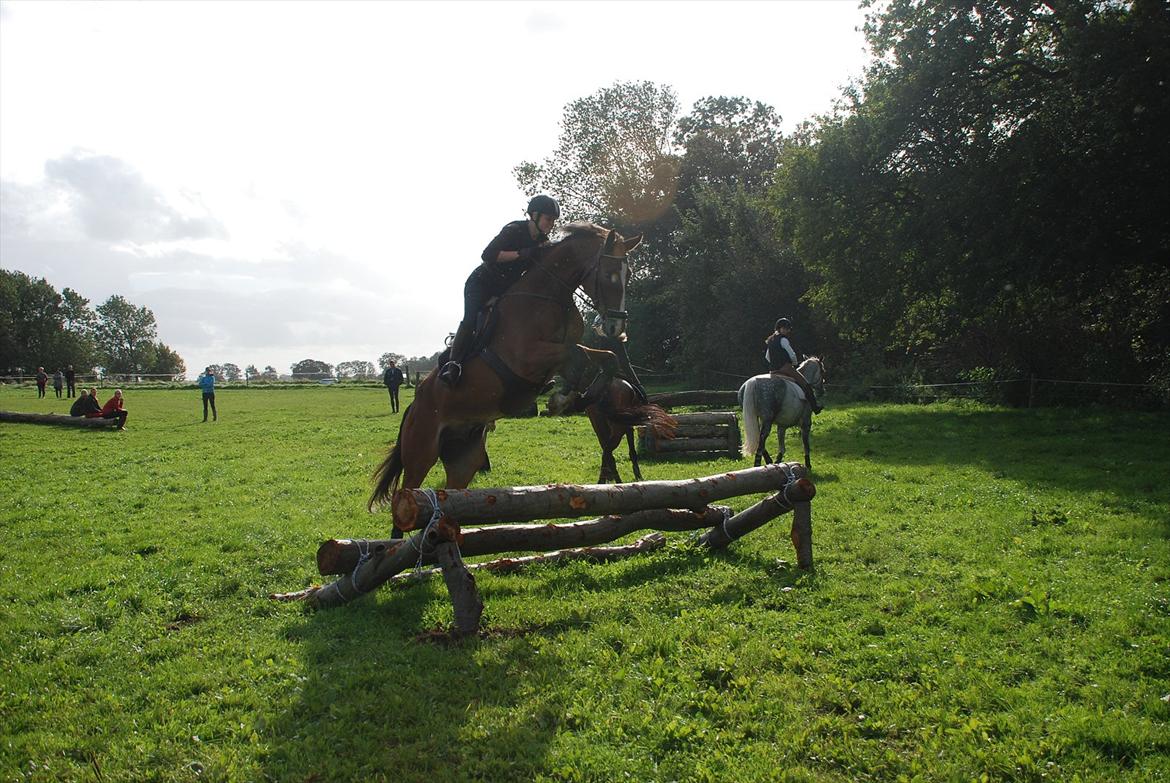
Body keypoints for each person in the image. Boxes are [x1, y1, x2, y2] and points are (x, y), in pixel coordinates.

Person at [438, 195, 560, 387]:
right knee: (470, 319)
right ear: (534, 216)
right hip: (481, 283)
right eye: (548, 219)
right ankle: (453, 364)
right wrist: (521, 254)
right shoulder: (514, 230)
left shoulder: (543, 241)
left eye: (553, 221)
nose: (551, 224)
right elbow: (487, 255)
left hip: (505, 288)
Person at [766, 317, 822, 414]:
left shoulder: (770, 340)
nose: (787, 331)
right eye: (785, 328)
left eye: (788, 329)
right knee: (806, 384)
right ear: (780, 328)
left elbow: (767, 356)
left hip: (773, 371)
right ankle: (815, 407)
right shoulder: (783, 340)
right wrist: (794, 363)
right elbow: (792, 354)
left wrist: (774, 363)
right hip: (785, 368)